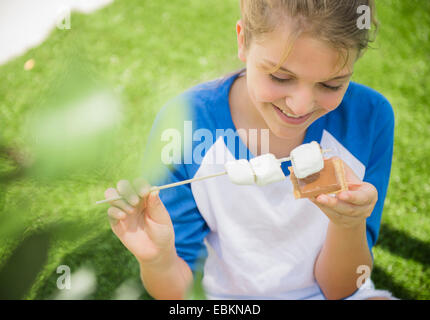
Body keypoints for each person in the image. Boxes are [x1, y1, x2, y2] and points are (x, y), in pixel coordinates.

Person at [104, 0, 397, 300]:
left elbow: (340, 289)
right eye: (280, 77)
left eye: (331, 85)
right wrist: (158, 260)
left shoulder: (370, 119)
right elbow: (179, 294)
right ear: (243, 41)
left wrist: (348, 223)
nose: (299, 105)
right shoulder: (186, 125)